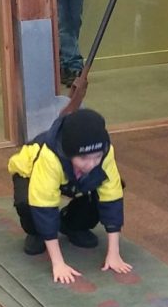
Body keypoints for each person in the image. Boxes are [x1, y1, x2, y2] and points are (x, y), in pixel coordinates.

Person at [8, 108, 131, 285]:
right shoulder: (49, 156)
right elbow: (44, 206)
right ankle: (37, 233)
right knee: (28, 202)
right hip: (30, 173)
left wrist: (114, 253)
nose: (91, 164)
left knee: (110, 188)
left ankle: (72, 225)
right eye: (84, 158)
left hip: (72, 177)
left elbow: (112, 198)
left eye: (97, 157)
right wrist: (58, 264)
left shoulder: (105, 152)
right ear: (70, 153)